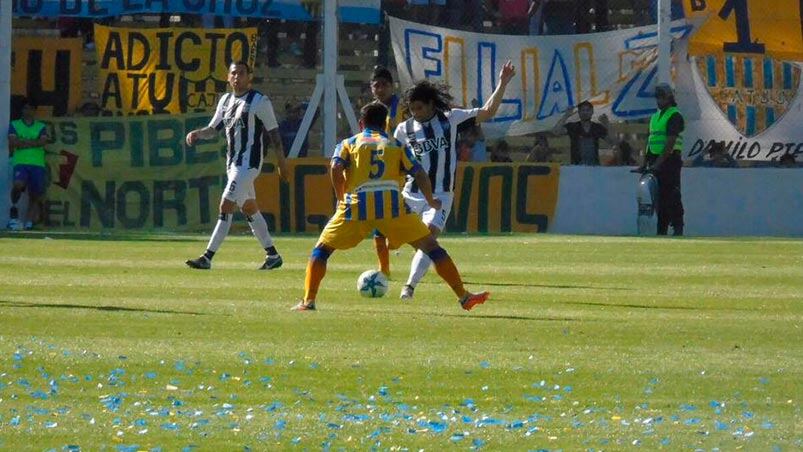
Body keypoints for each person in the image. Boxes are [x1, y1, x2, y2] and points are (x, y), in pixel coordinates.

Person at [292, 102, 490, 311]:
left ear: (361, 123)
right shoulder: (396, 145)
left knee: (322, 250)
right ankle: (463, 296)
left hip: (356, 205)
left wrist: (340, 197)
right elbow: (419, 173)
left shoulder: (349, 142)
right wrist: (431, 200)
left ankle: (308, 301)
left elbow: (335, 166)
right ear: (386, 123)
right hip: (392, 205)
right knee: (432, 248)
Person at [394, 61, 516, 300]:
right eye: (412, 109)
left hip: (440, 196)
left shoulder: (451, 119)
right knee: (395, 238)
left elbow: (488, 112)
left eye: (419, 108)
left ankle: (409, 286)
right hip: (410, 193)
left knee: (429, 238)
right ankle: (386, 269)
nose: (415, 113)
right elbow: (396, 161)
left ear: (430, 105)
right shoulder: (403, 130)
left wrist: (502, 82)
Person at [184, 61, 289, 269]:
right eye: (233, 73)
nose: (237, 77)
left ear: (249, 77)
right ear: (228, 77)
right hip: (232, 163)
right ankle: (272, 255)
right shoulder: (225, 101)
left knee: (225, 205)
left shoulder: (260, 101)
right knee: (249, 208)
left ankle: (207, 257)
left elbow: (274, 134)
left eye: (242, 73)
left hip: (248, 164)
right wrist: (197, 133)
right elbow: (214, 129)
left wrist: (282, 163)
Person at [369, 66, 408, 277]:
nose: (381, 89)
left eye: (384, 85)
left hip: (401, 171)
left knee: (397, 219)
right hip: (379, 172)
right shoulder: (369, 111)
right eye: (377, 85)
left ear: (392, 87)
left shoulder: (401, 107)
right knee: (379, 220)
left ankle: (398, 239)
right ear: (371, 88)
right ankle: (384, 269)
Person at [639, 83, 685, 236]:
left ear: (669, 97)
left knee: (671, 194)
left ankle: (678, 226)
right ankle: (662, 229)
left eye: (662, 97)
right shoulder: (655, 117)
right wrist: (644, 163)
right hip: (655, 159)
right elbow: (650, 140)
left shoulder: (674, 115)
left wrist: (658, 164)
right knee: (658, 198)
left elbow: (670, 143)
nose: (659, 100)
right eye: (657, 97)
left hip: (669, 160)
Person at [7, 99, 50, 231]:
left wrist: (23, 142)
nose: (28, 111)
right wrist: (33, 142)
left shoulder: (41, 126)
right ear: (22, 110)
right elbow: (13, 141)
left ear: (34, 111)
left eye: (30, 108)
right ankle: (13, 213)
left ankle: (29, 221)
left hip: (37, 163)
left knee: (35, 193)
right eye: (25, 108)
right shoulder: (14, 124)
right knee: (18, 185)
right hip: (20, 161)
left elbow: (42, 142)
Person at [552, 100, 617, 165]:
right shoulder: (573, 126)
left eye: (587, 110)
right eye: (582, 110)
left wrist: (607, 124)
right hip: (576, 168)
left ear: (592, 112)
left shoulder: (597, 128)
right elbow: (556, 131)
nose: (585, 112)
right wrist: (566, 115)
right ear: (579, 112)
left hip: (594, 168)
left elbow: (613, 142)